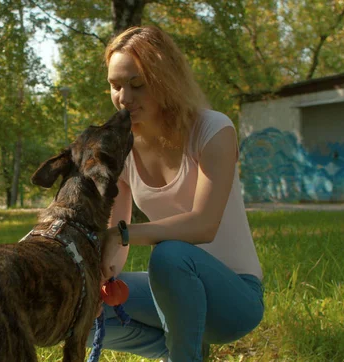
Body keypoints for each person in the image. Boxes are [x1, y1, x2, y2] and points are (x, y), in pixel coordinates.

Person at [87, 26, 264, 362]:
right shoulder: (122, 150)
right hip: (174, 293)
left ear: (165, 79)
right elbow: (114, 245)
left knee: (169, 256)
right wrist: (98, 277)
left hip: (236, 297)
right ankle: (180, 348)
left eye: (137, 85)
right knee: (77, 310)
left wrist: (123, 235)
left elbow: (203, 225)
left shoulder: (213, 130)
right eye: (115, 86)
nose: (124, 99)